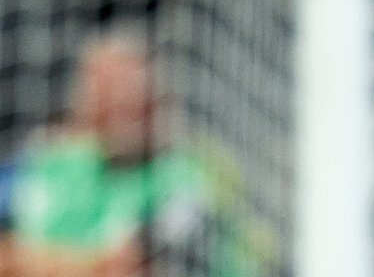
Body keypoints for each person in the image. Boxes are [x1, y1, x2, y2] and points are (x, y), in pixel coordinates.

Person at [1, 31, 275, 277]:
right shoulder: (52, 163)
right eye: (105, 90)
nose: (119, 102)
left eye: (128, 87)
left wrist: (26, 262)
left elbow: (128, 268)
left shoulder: (185, 181)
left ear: (156, 97)